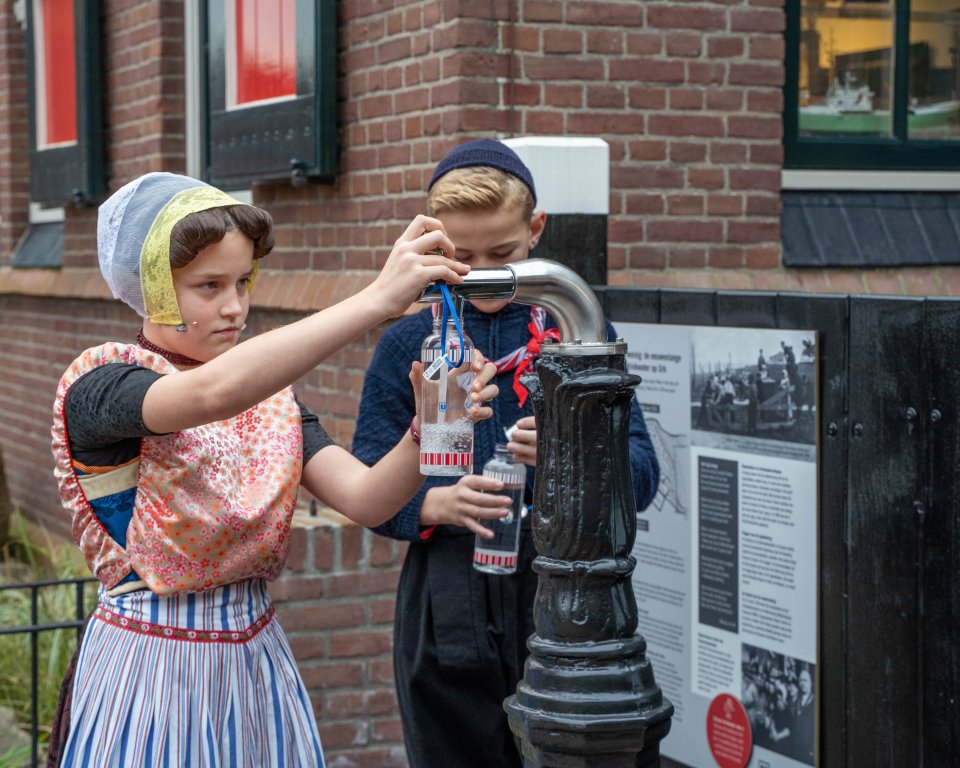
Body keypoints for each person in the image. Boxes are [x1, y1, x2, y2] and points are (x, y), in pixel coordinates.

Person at [47, 172, 500, 767]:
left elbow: (366, 498)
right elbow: (210, 395)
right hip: (150, 667)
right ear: (152, 287)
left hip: (256, 664)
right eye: (208, 286)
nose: (234, 306)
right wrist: (375, 300)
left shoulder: (270, 399)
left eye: (241, 281)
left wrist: (429, 428)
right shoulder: (102, 385)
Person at [351, 139, 660, 768]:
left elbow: (644, 475)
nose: (484, 272)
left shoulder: (580, 331)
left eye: (504, 254)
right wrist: (434, 502)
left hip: (563, 594)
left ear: (536, 231)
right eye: (462, 258)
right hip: (445, 596)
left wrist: (573, 459)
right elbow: (362, 484)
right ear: (434, 242)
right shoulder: (406, 342)